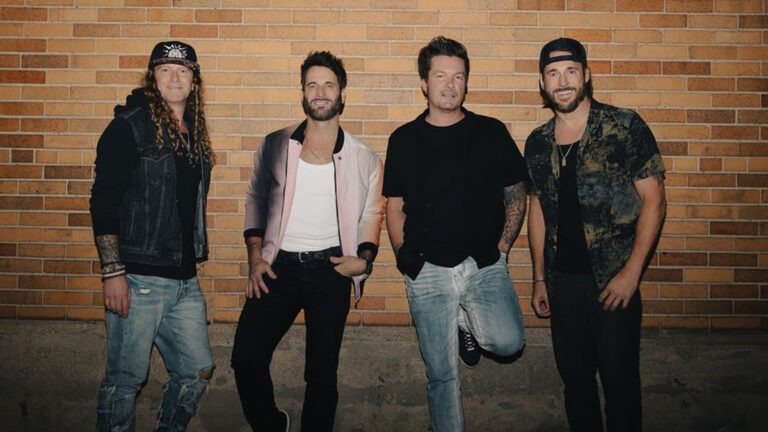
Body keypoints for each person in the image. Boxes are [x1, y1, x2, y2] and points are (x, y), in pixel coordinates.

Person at [231, 51, 385, 432]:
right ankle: (272, 424)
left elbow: (372, 213)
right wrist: (255, 257)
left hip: (331, 270)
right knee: (246, 357)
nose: (320, 92)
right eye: (312, 85)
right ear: (302, 93)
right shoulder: (275, 145)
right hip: (277, 266)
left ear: (342, 94)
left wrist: (364, 260)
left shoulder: (363, 157)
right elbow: (255, 200)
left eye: (328, 85)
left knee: (321, 373)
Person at [383, 36, 526, 431]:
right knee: (442, 375)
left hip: (482, 263)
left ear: (466, 82)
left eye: (458, 76)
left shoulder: (491, 132)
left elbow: (515, 192)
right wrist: (403, 254)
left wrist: (502, 248)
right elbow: (394, 206)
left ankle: (466, 323)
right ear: (424, 83)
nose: (450, 84)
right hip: (426, 268)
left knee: (508, 342)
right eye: (441, 76)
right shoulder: (404, 139)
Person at [525, 38, 667, 432]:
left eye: (571, 71)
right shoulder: (537, 142)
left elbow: (655, 201)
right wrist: (539, 279)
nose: (563, 81)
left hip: (613, 283)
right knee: (576, 385)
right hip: (562, 286)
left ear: (586, 75)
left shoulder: (623, 126)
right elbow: (537, 210)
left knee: (621, 388)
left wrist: (631, 274)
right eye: (553, 73)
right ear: (542, 83)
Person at [89, 40, 216, 431]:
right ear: (152, 77)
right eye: (165, 69)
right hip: (139, 277)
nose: (174, 78)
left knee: (197, 369)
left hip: (184, 278)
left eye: (183, 70)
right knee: (124, 380)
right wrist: (113, 272)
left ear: (194, 80)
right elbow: (103, 200)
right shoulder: (129, 126)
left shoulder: (193, 131)